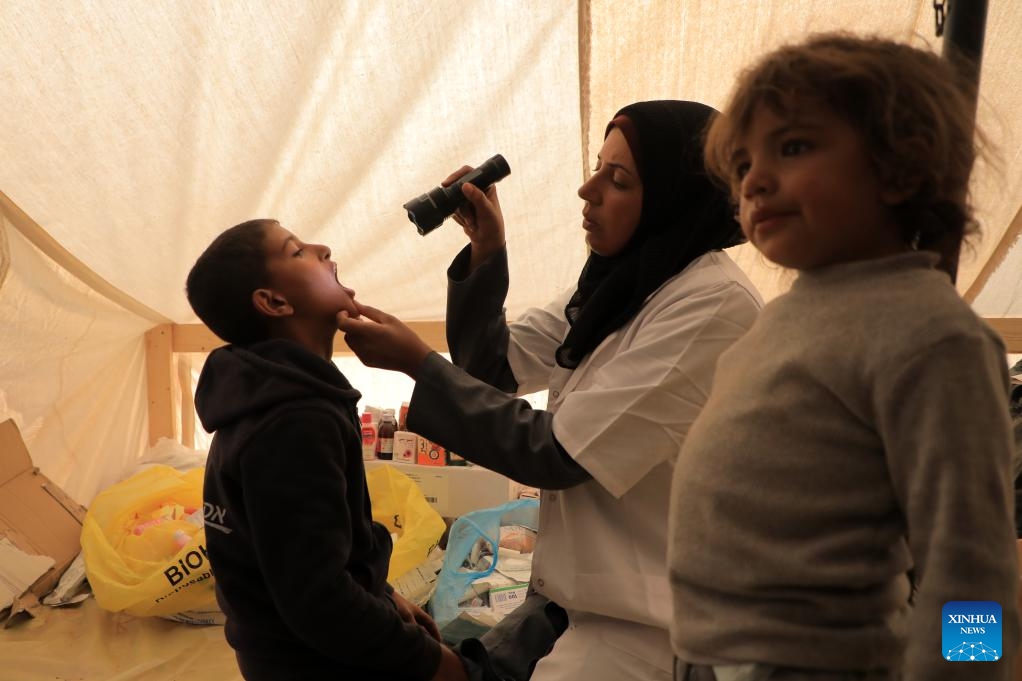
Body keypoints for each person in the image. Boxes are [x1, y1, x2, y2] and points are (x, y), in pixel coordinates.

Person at [337, 100, 764, 680]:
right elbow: (493, 371)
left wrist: (417, 362)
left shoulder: (711, 305)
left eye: (618, 180)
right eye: (596, 167)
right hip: (573, 600)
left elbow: (557, 452)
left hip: (648, 626)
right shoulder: (619, 288)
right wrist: (488, 253)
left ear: (671, 198)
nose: (586, 191)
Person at [668, 33, 1020, 681]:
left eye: (794, 146)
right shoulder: (776, 322)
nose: (756, 182)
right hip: (703, 656)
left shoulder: (932, 335)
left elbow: (974, 571)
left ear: (900, 167)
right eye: (742, 164)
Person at [185, 219, 469, 681]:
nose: (324, 247)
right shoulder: (294, 421)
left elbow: (315, 549)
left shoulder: (273, 396)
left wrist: (384, 595)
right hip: (312, 661)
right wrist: (435, 664)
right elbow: (319, 599)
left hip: (283, 650)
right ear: (274, 302)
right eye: (297, 251)